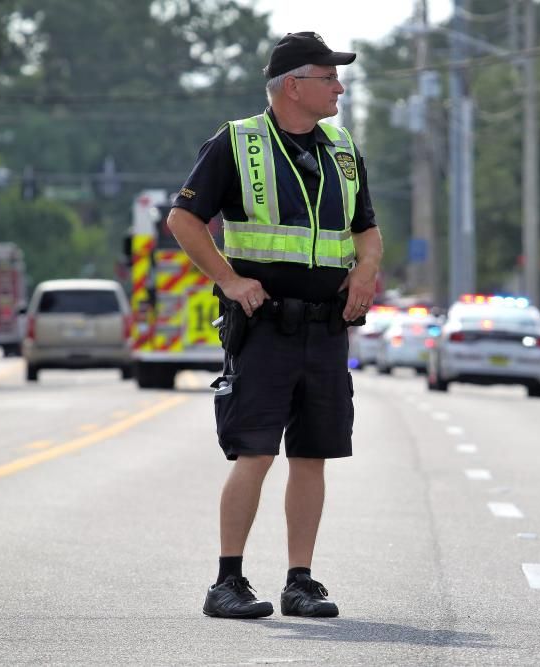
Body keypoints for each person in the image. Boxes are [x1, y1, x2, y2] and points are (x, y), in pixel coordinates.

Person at [167, 31, 382, 620]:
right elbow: (183, 219)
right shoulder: (236, 143)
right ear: (294, 85)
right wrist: (230, 281)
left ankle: (300, 580)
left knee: (312, 454)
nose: (339, 86)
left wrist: (366, 270)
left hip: (326, 328)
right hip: (264, 326)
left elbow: (366, 226)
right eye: (329, 76)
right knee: (255, 453)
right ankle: (226, 582)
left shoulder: (341, 147)